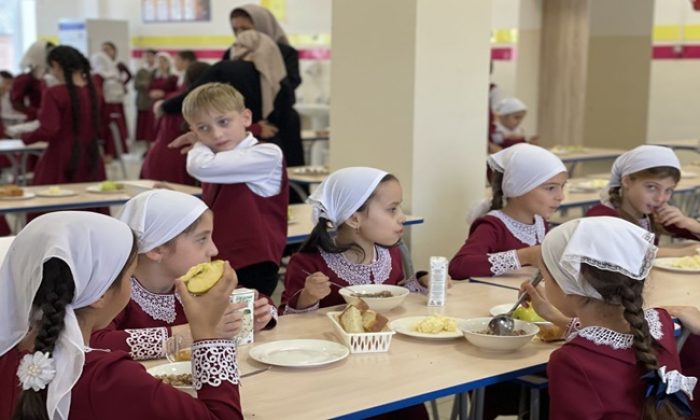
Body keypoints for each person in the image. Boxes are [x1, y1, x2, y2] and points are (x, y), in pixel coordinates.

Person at [0, 211, 244, 419]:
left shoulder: (9, 355)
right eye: (129, 276)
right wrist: (208, 336)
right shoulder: (109, 379)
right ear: (100, 295)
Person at [523, 216, 696, 418]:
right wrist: (558, 320)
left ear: (567, 285)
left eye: (545, 276)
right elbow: (611, 345)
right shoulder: (662, 322)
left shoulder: (570, 361)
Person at [91, 189, 277, 360]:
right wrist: (197, 331)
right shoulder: (113, 294)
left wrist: (259, 315)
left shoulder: (197, 281)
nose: (213, 249)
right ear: (156, 249)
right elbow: (94, 342)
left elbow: (257, 298)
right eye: (202, 239)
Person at [181, 82, 288, 296]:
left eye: (224, 122)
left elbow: (199, 166)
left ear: (246, 118)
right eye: (203, 128)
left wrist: (198, 142)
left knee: (249, 323)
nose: (217, 134)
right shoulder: (217, 157)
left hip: (254, 263)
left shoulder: (267, 153)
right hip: (218, 259)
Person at [281, 167, 428, 313]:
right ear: (353, 219)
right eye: (392, 209)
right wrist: (308, 296)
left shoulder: (391, 254)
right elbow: (285, 321)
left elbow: (394, 295)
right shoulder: (307, 264)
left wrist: (421, 282)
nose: (402, 217)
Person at [449, 143, 567, 279]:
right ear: (518, 188)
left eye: (562, 187)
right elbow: (459, 267)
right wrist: (524, 256)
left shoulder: (540, 223)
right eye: (550, 188)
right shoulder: (492, 226)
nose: (560, 196)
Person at [585, 145, 700, 257]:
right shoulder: (601, 215)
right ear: (626, 181)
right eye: (651, 187)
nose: (660, 198)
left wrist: (687, 222)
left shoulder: (654, 215)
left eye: (668, 190)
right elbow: (625, 252)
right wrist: (680, 253)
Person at [225, 4, 304, 167]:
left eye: (245, 28)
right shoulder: (231, 53)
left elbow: (290, 85)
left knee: (285, 172)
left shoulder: (285, 52)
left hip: (281, 121)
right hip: (246, 123)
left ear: (262, 26)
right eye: (236, 30)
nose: (241, 34)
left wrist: (265, 66)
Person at [16, 46, 106, 186]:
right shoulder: (95, 92)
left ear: (56, 65)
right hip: (91, 155)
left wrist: (25, 137)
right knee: (88, 201)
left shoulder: (54, 93)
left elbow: (49, 129)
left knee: (54, 202)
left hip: (62, 157)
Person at [142, 61, 210, 185]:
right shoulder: (205, 109)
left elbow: (155, 131)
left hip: (159, 158)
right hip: (183, 162)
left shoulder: (171, 101)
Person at [91, 51, 128, 156]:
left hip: (105, 107)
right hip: (115, 106)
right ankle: (113, 152)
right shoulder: (113, 74)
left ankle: (109, 153)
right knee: (114, 130)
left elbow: (98, 95)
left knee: (108, 130)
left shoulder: (98, 76)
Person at [10, 40, 54, 121]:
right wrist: (36, 113)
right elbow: (16, 103)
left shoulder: (49, 77)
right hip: (34, 120)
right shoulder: (24, 79)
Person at [134, 49, 156, 142]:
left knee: (153, 127)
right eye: (146, 56)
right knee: (143, 128)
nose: (148, 58)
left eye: (150, 56)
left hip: (154, 102)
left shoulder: (157, 70)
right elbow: (136, 85)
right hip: (143, 102)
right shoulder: (141, 70)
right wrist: (148, 84)